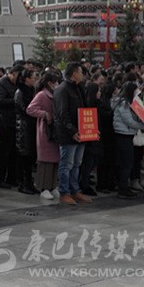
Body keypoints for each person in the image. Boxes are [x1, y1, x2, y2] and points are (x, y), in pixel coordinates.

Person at [53, 62, 91, 205]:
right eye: (81, 72)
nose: (83, 75)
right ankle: (64, 192)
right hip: (68, 134)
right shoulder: (62, 89)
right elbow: (62, 114)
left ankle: (75, 190)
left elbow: (85, 111)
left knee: (77, 163)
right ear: (74, 73)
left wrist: (91, 128)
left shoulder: (78, 88)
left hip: (81, 132)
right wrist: (72, 131)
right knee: (67, 164)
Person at [26, 72, 61, 200]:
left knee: (55, 160)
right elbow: (30, 109)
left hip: (54, 131)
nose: (57, 84)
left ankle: (52, 186)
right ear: (50, 83)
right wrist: (44, 114)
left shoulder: (55, 94)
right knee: (45, 161)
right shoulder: (42, 95)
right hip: (45, 131)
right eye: (56, 82)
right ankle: (43, 187)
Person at [112, 81, 144, 199]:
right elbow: (129, 121)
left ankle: (124, 186)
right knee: (126, 162)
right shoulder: (123, 103)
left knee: (127, 162)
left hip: (127, 134)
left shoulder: (129, 102)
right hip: (123, 134)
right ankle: (123, 188)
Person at [0, 65, 20, 189]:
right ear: (12, 73)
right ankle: (0, 179)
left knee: (14, 153)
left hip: (14, 122)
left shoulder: (17, 84)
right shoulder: (0, 83)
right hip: (4, 122)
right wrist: (17, 100)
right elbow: (0, 100)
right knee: (3, 153)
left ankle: (12, 178)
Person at [14, 68, 40, 195]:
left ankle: (29, 182)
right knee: (24, 156)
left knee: (30, 157)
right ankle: (23, 183)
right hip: (23, 128)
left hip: (31, 126)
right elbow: (25, 109)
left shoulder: (32, 90)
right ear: (27, 79)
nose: (35, 80)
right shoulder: (20, 92)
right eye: (33, 77)